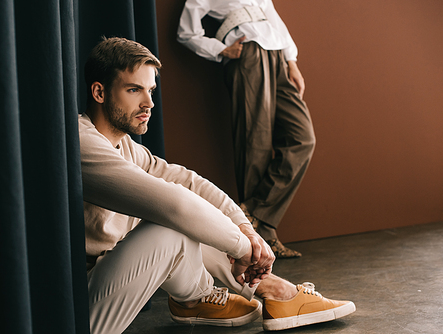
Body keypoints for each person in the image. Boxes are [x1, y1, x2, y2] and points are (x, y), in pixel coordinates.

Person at [80, 36, 354, 333]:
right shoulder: (81, 142)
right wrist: (243, 249)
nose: (149, 103)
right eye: (134, 90)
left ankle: (202, 299)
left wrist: (245, 228)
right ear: (99, 92)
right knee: (170, 224)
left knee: (187, 214)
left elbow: (190, 182)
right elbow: (176, 204)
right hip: (78, 311)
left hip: (106, 282)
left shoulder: (129, 148)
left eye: (151, 90)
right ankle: (267, 291)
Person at [177, 0, 316, 258]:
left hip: (277, 55)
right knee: (256, 141)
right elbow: (186, 32)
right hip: (247, 53)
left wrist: (292, 61)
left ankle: (251, 211)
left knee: (303, 138)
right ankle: (263, 239)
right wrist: (220, 50)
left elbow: (273, 18)